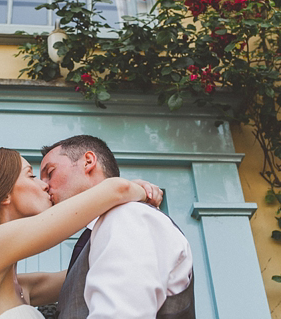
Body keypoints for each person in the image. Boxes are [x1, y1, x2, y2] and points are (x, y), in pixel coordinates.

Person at [0, 147, 162, 319]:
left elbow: (92, 269)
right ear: (4, 195)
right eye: (31, 176)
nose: (44, 185)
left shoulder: (21, 286)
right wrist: (140, 190)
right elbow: (117, 189)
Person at [40, 135, 195, 319]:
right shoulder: (104, 228)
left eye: (50, 173)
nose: (45, 186)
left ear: (88, 162)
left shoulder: (125, 216)